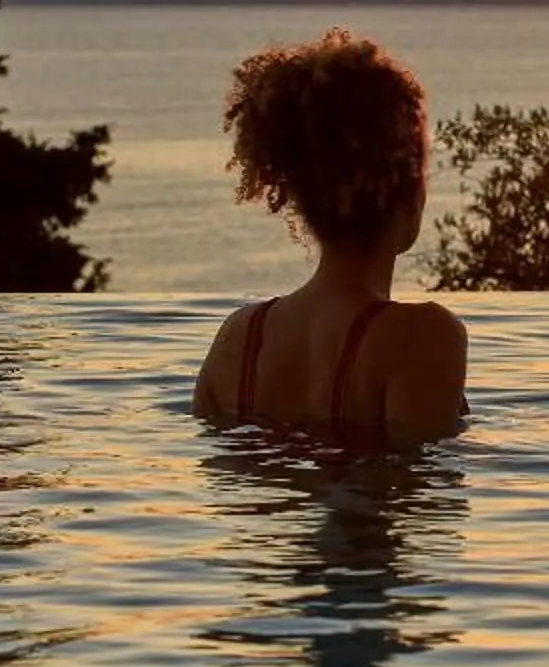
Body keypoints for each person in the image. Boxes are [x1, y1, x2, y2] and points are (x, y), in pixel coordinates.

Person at [194, 31, 468, 442]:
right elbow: (417, 478)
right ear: (411, 192)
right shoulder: (422, 338)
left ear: (297, 195)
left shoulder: (236, 340)